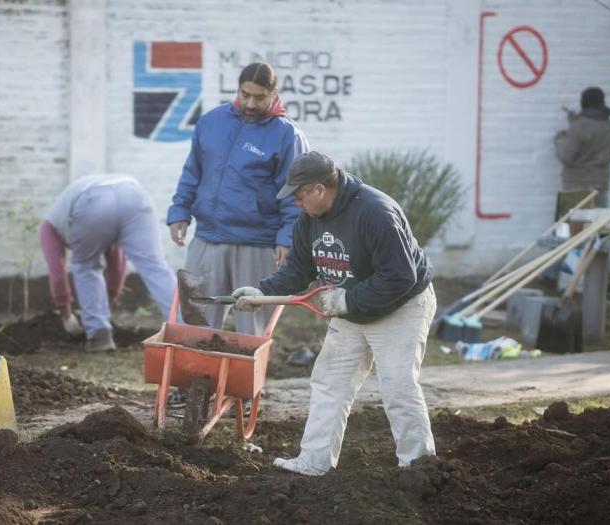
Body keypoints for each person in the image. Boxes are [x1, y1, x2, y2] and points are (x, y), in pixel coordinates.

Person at [233, 151, 436, 476]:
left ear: (319, 189)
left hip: (402, 306)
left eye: (299, 195)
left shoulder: (375, 212)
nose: (296, 203)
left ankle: (419, 467)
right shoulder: (309, 220)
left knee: (397, 385)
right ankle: (314, 460)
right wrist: (262, 293)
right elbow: (298, 269)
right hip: (353, 305)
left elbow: (401, 276)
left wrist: (349, 301)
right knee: (329, 382)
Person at [167, 61, 309, 335]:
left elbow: (296, 192)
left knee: (251, 329)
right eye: (245, 95)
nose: (251, 103)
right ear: (238, 90)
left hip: (257, 245)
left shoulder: (287, 135)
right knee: (196, 320)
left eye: (259, 97)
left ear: (274, 94)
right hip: (208, 239)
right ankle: (197, 377)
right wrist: (180, 211)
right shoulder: (211, 122)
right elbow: (192, 172)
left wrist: (287, 237)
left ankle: (245, 378)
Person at [40, 174, 176, 351]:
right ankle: (186, 332)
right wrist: (109, 301)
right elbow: (118, 266)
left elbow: (57, 273)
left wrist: (67, 316)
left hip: (93, 200)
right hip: (134, 193)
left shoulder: (48, 227)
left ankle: (99, 336)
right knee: (155, 266)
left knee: (85, 266)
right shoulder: (62, 219)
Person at [555, 87, 610, 207]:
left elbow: (566, 158)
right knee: (599, 224)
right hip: (600, 184)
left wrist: (559, 141)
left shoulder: (579, 126)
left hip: (576, 186)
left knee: (574, 224)